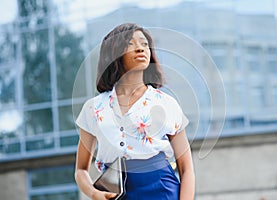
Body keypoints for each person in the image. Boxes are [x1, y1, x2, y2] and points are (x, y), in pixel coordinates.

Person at [75, 23, 195, 200]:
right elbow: (80, 169)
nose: (141, 49)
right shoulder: (93, 108)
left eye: (145, 44)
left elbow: (186, 169)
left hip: (162, 189)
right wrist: (94, 194)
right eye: (131, 44)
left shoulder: (167, 103)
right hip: (116, 192)